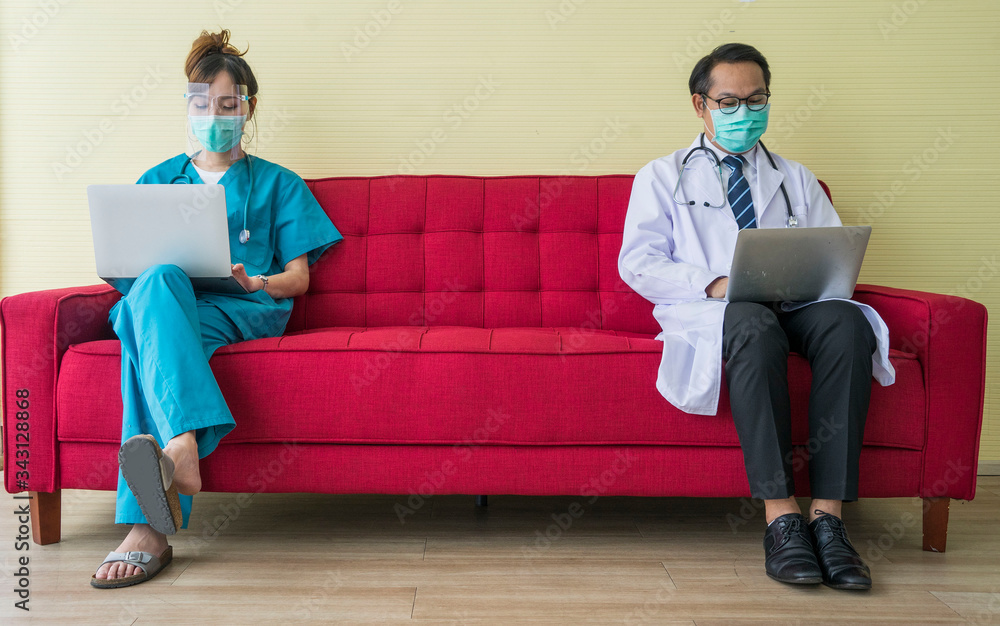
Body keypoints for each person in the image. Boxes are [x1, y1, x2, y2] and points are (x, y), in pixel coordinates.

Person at [618, 43, 896, 590]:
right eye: (729, 102)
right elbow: (639, 262)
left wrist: (822, 282)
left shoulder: (795, 177)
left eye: (756, 99)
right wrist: (717, 283)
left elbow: (831, 249)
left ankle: (829, 519)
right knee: (750, 323)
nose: (744, 112)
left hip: (800, 302)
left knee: (848, 323)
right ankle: (781, 518)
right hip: (717, 308)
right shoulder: (661, 175)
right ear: (701, 105)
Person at [91, 29, 343, 588]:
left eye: (229, 104)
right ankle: (181, 448)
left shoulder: (280, 183)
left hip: (243, 306)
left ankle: (147, 529)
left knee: (144, 334)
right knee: (152, 290)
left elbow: (299, 280)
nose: (215, 115)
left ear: (248, 109)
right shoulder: (157, 181)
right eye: (203, 103)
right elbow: (130, 267)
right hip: (171, 303)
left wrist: (258, 281)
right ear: (188, 107)